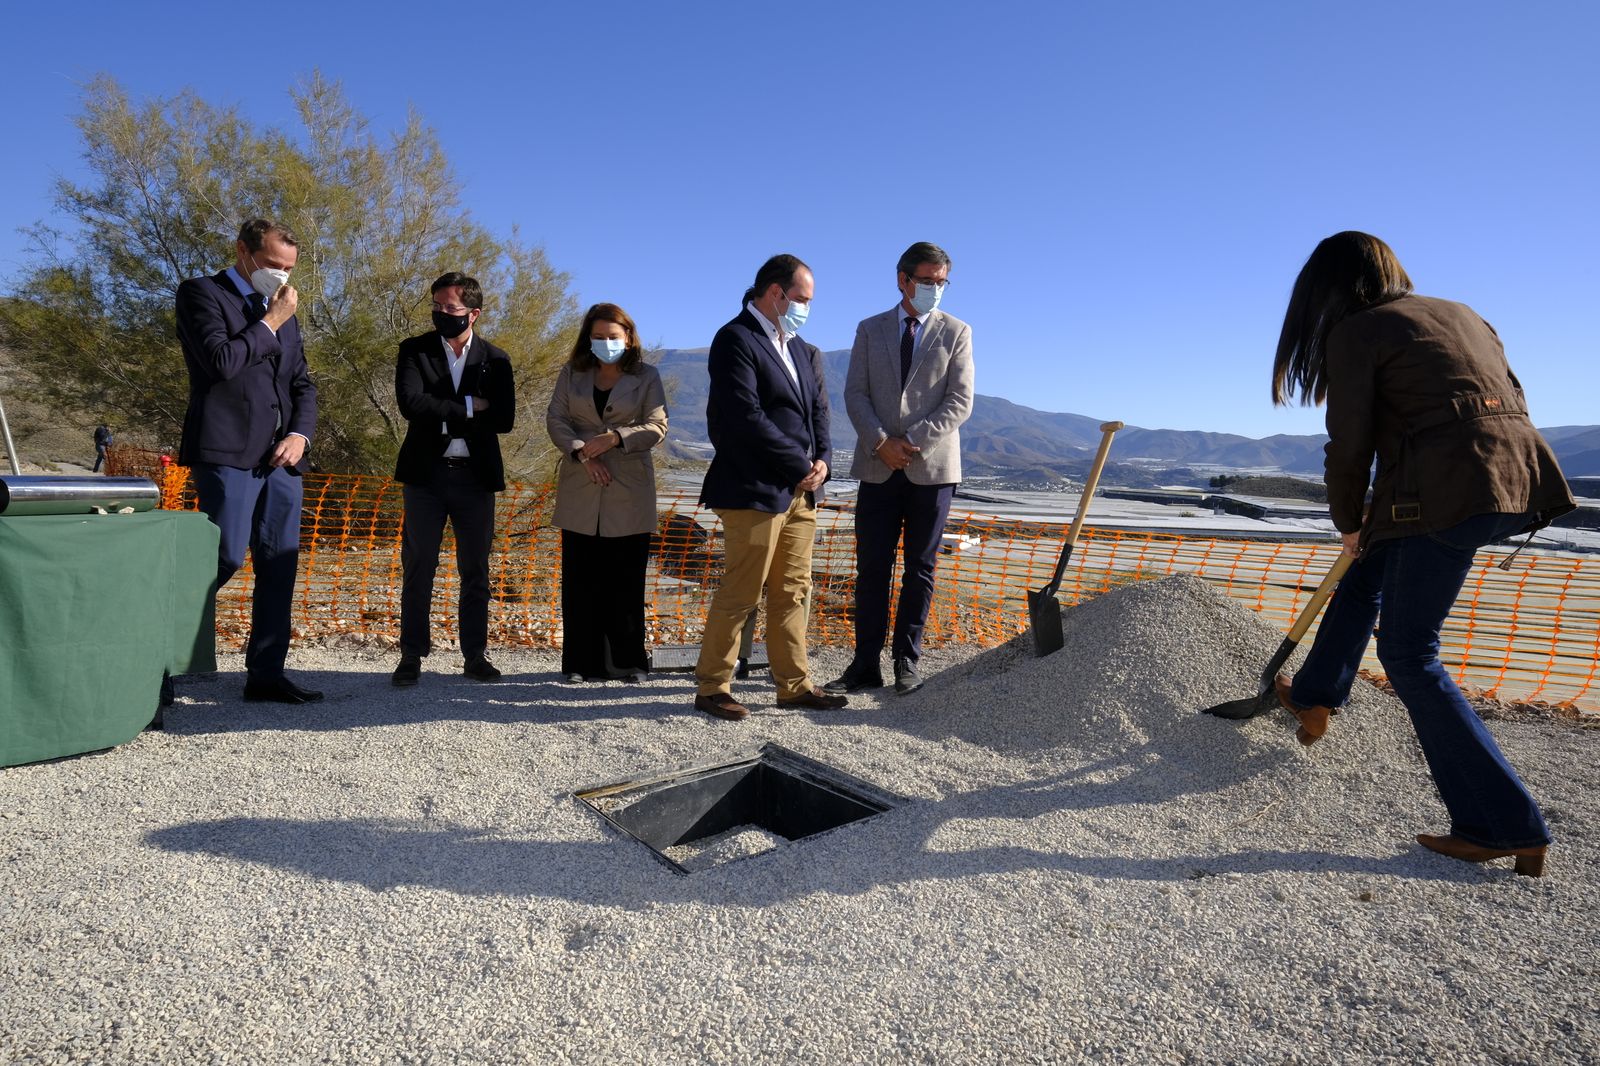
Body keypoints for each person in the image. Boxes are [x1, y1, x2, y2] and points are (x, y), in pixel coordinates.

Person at [1270, 231, 1574, 877]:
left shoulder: (1358, 330)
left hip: (1447, 489)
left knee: (1409, 654)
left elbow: (1349, 445)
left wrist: (1348, 521)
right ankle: (1317, 693)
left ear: (1323, 291)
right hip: (1512, 478)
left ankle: (1503, 826)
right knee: (1366, 578)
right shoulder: (1464, 313)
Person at [692, 254, 846, 720]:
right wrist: (798, 463)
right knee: (742, 589)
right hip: (753, 490)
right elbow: (743, 417)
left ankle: (794, 685)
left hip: (802, 492)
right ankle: (713, 686)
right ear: (775, 293)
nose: (806, 308)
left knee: (793, 591)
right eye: (801, 299)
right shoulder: (735, 339)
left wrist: (822, 464)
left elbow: (820, 413)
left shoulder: (804, 350)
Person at [176, 218, 321, 704]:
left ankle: (265, 675)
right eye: (272, 265)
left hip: (282, 460)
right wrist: (270, 322)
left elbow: (301, 383)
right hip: (227, 451)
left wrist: (300, 434)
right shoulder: (201, 293)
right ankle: (152, 663)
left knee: (280, 564)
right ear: (243, 251)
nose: (281, 276)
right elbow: (220, 363)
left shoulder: (283, 309)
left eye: (289, 269)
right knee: (223, 557)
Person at [828, 242, 974, 696]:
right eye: (927, 280)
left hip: (931, 469)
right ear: (903, 279)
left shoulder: (957, 331)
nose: (935, 289)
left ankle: (907, 661)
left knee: (921, 568)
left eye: (941, 282)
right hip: (877, 466)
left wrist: (909, 442)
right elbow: (855, 394)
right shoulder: (870, 330)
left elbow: (960, 400)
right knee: (872, 568)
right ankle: (864, 664)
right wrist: (880, 442)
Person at [391, 273, 517, 686]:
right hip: (425, 479)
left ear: (473, 313)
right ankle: (411, 655)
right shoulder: (414, 350)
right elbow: (411, 404)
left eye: (451, 308)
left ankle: (475, 655)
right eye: (437, 306)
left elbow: (503, 418)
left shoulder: (495, 359)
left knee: (475, 570)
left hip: (475, 481)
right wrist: (469, 406)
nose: (441, 314)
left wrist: (445, 408)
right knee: (419, 565)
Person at [545, 303, 668, 684]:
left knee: (625, 582)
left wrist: (614, 438)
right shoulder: (572, 374)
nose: (605, 343)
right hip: (581, 488)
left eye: (612, 337)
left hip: (628, 492)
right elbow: (556, 419)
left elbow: (657, 426)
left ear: (628, 338)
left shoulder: (648, 377)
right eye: (598, 337)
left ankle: (628, 663)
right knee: (581, 581)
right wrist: (583, 453)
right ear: (588, 339)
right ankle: (582, 664)